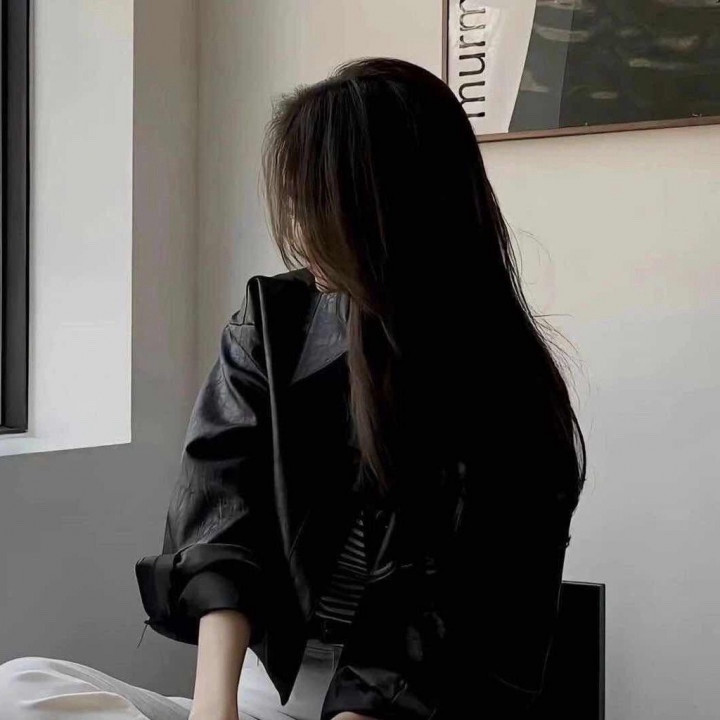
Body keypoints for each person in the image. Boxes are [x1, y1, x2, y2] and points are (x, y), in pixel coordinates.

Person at [0, 57, 586, 720]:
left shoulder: (513, 399)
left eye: (317, 206)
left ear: (390, 206)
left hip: (413, 711)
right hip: (268, 693)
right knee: (19, 686)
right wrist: (212, 710)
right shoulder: (275, 323)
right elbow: (223, 520)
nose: (300, 232)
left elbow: (457, 640)